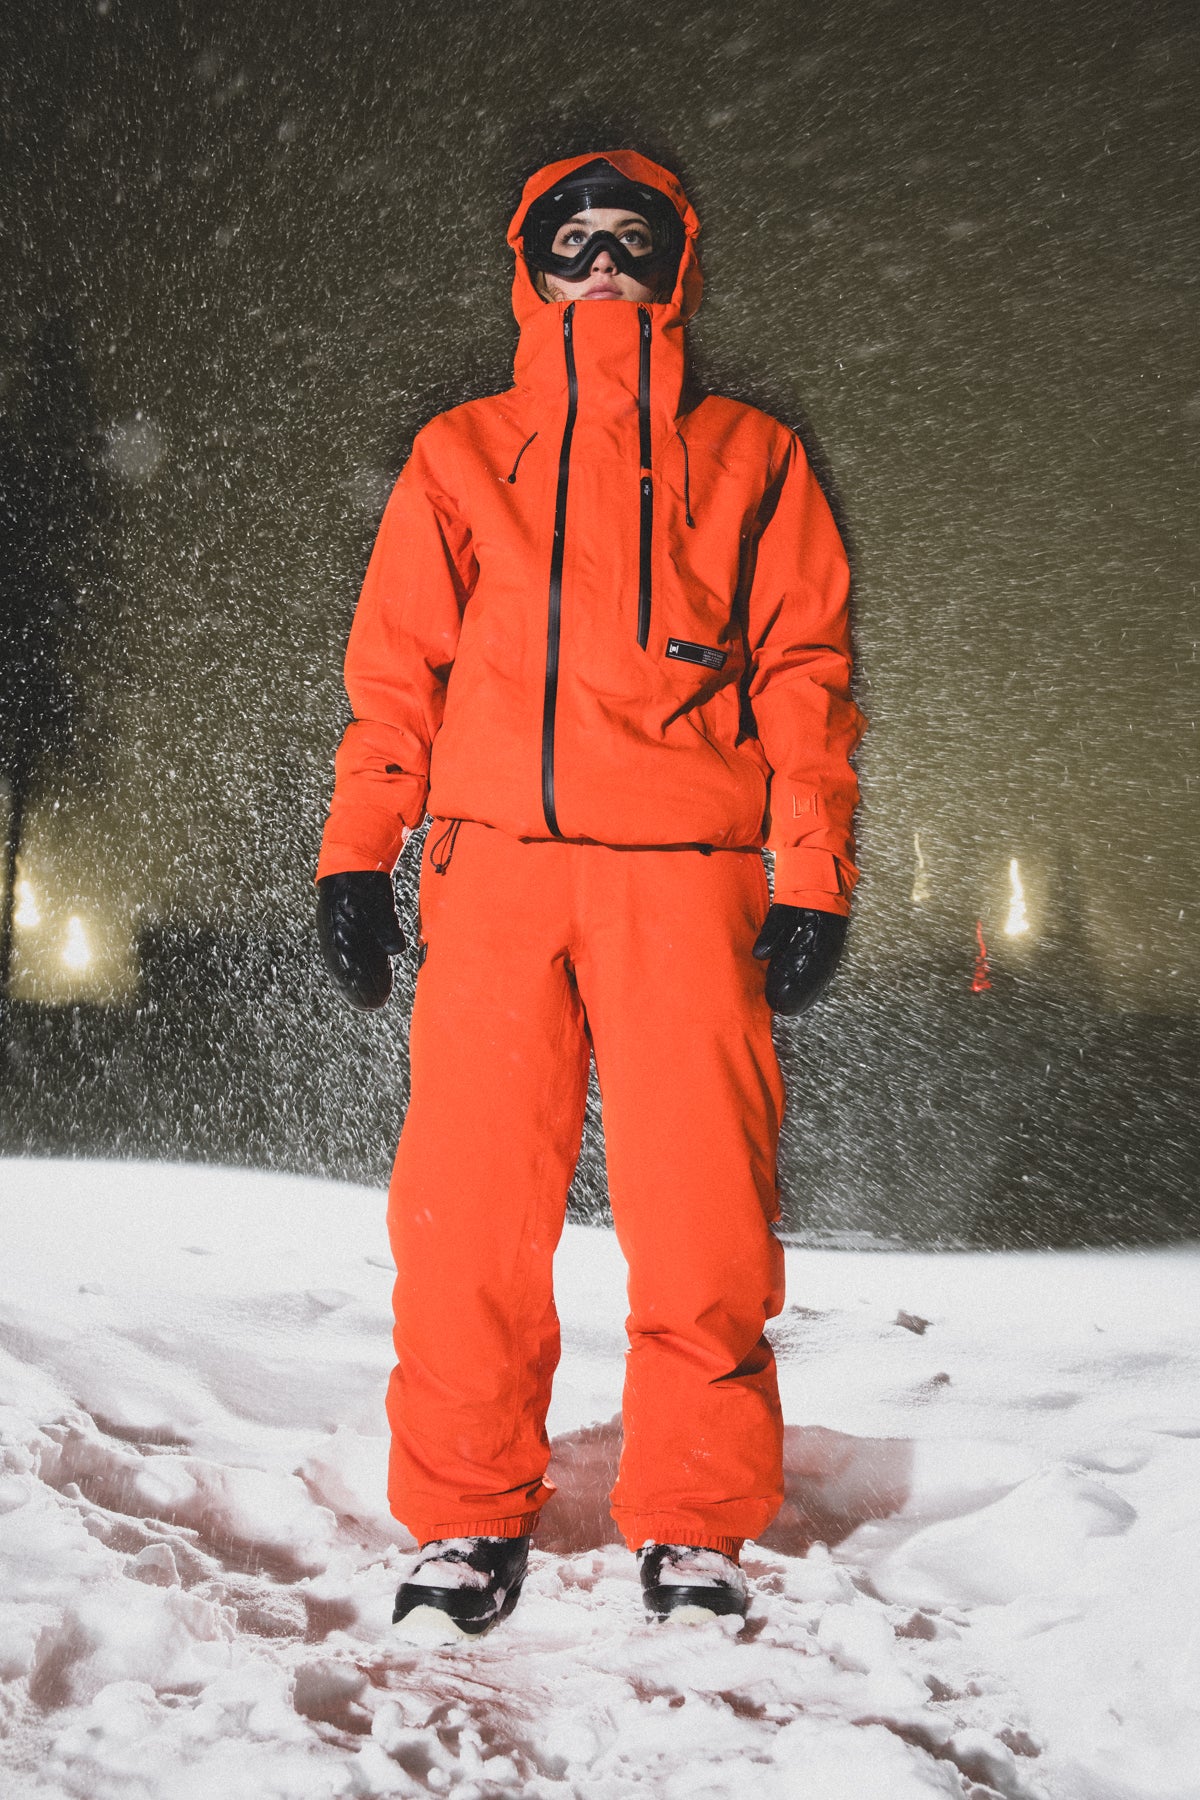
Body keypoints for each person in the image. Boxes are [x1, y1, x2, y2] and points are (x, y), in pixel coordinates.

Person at [315, 150, 864, 1639]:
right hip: (494, 878)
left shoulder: (752, 457)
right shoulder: (458, 455)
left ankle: (693, 1519)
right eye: (575, 240)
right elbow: (396, 675)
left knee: (704, 1223)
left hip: (688, 885)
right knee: (467, 1217)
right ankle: (466, 1513)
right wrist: (357, 852)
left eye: (634, 239)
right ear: (533, 266)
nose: (604, 261)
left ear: (676, 269)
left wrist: (811, 870)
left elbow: (806, 677)